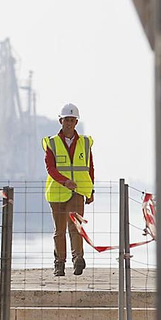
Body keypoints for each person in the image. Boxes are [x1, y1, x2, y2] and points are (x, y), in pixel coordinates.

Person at [43, 103, 94, 277]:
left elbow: (90, 167)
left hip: (78, 191)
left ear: (76, 122)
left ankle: (78, 259)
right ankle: (59, 263)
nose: (69, 123)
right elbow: (50, 167)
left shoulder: (85, 143)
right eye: (66, 120)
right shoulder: (52, 143)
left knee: (76, 227)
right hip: (57, 191)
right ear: (60, 121)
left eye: (72, 120)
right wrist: (65, 182)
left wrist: (91, 190)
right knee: (59, 230)